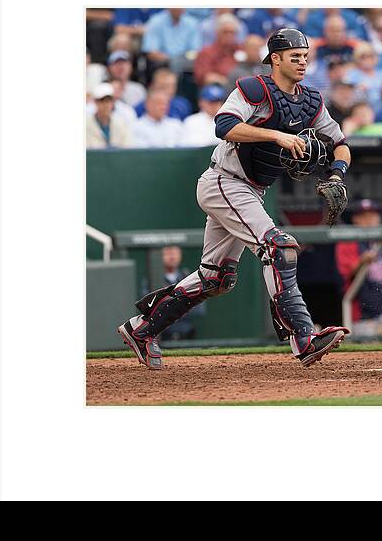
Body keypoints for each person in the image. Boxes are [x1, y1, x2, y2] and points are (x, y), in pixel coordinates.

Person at [118, 28, 352, 369]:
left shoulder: (312, 101)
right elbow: (224, 125)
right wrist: (276, 135)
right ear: (275, 59)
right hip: (224, 181)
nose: (302, 63)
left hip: (251, 190)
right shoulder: (254, 88)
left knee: (217, 278)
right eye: (294, 57)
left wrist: (337, 174)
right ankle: (303, 338)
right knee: (280, 247)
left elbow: (340, 141)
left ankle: (141, 330)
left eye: (305, 57)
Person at [335, 199, 382, 339]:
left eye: (373, 215)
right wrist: (362, 261)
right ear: (355, 219)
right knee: (365, 344)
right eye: (363, 216)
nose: (369, 220)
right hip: (363, 315)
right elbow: (346, 273)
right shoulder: (348, 242)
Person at [141, 246, 202, 342]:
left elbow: (199, 309)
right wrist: (182, 305)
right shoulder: (151, 280)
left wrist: (169, 307)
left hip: (187, 333)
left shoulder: (187, 277)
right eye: (168, 253)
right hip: (161, 335)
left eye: (175, 253)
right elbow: (149, 309)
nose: (172, 257)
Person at [193, 13, 241, 87]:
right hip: (217, 90)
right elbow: (205, 77)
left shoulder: (240, 50)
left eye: (232, 33)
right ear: (217, 33)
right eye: (225, 32)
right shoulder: (207, 52)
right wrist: (227, 82)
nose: (229, 36)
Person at [345, 42, 382, 110]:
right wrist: (358, 90)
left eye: (370, 56)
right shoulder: (351, 75)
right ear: (357, 59)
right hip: (362, 109)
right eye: (363, 57)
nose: (367, 60)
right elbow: (347, 95)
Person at [85, 83, 133, 149]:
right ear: (95, 102)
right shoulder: (85, 125)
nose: (106, 105)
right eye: (102, 101)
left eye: (109, 100)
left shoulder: (121, 124)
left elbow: (128, 148)